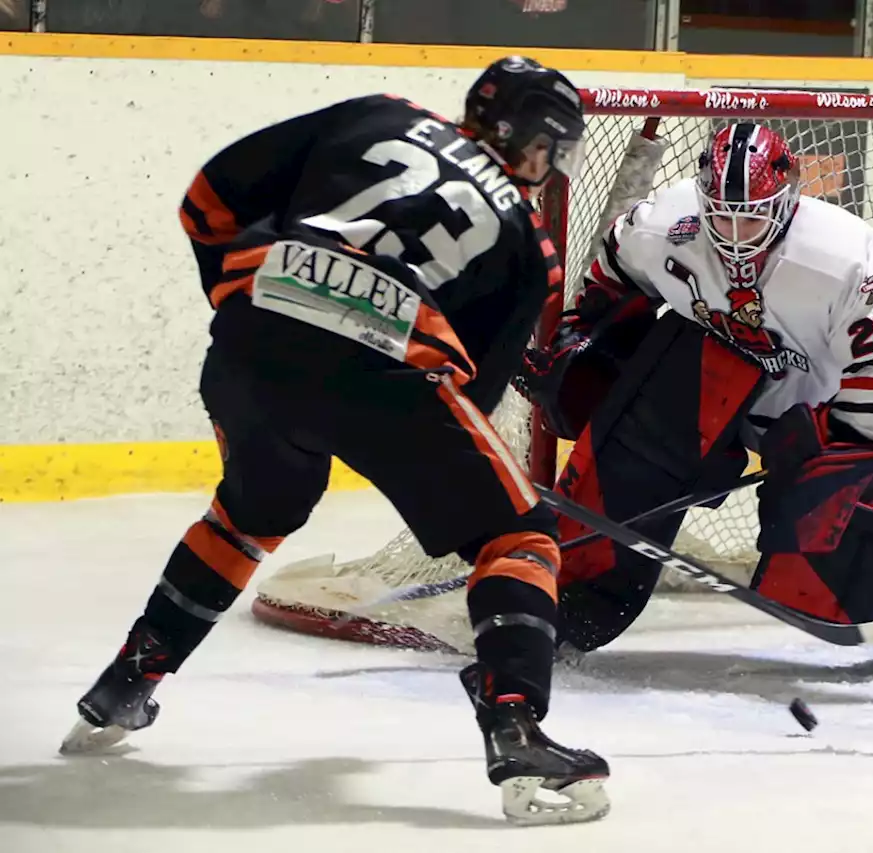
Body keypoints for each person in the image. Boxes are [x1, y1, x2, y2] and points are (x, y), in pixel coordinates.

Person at [63, 56, 610, 827]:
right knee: (518, 534)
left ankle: (129, 677)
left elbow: (207, 201)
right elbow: (474, 399)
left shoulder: (379, 111)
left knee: (251, 513)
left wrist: (256, 310)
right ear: (537, 144)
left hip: (251, 342)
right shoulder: (528, 239)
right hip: (387, 373)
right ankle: (516, 726)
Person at [523, 122, 873, 679]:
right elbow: (611, 275)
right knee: (621, 479)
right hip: (700, 387)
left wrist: (829, 430)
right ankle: (561, 606)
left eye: (753, 216)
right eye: (723, 213)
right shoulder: (667, 222)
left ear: (788, 200)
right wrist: (582, 339)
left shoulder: (844, 258)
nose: (735, 233)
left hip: (817, 409)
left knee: (819, 545)